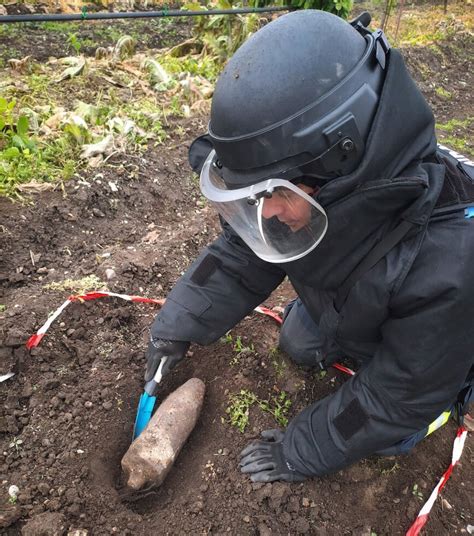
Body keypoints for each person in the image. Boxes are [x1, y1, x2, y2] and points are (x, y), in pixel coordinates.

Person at [144, 10, 474, 482]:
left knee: (392, 427)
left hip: (431, 359)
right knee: (297, 341)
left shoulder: (455, 261)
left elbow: (397, 394)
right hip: (358, 304)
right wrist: (176, 325)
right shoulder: (321, 191)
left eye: (275, 195)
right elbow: (240, 254)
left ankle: (438, 413)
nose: (268, 212)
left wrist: (304, 448)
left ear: (344, 162)